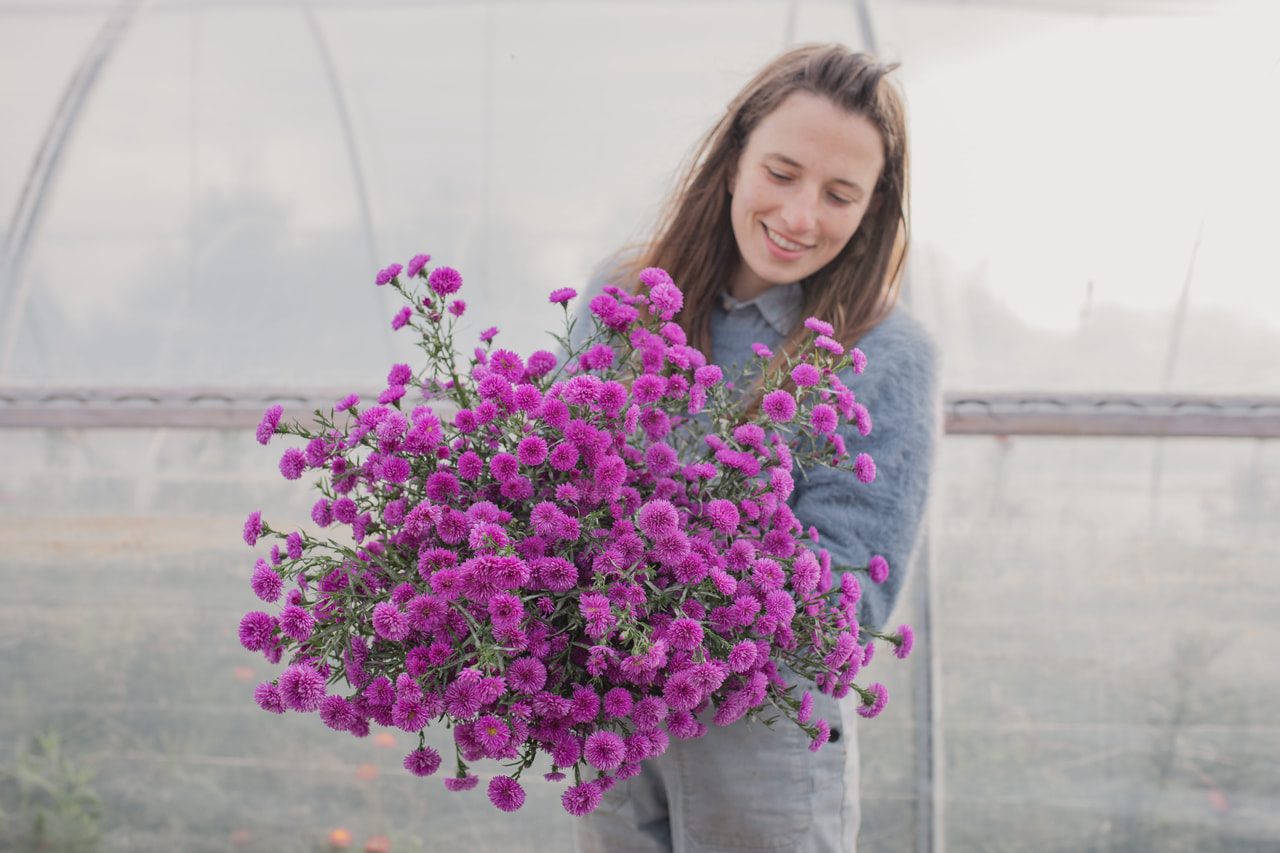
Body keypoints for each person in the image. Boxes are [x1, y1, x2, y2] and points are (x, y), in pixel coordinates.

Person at [572, 44, 938, 853]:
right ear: (734, 157)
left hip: (761, 749)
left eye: (841, 194)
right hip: (604, 728)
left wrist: (647, 586)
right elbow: (548, 486)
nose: (801, 216)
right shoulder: (623, 296)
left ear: (873, 210)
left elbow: (853, 595)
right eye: (782, 172)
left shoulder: (887, 354)